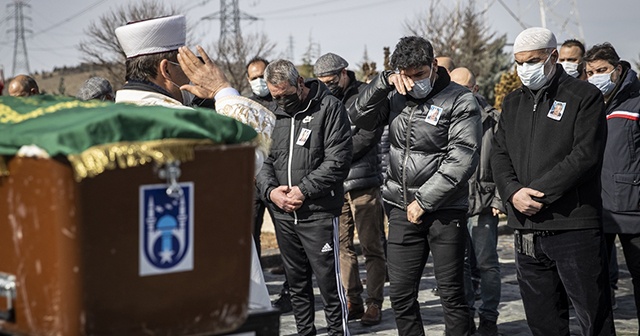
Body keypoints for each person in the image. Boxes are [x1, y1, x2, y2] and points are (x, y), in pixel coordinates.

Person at [114, 15, 274, 311]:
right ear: (166, 70)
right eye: (184, 66)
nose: (191, 77)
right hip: (203, 274)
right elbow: (247, 156)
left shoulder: (110, 117)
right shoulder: (180, 124)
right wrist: (223, 91)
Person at [350, 36, 481, 335]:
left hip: (444, 209)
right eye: (406, 76)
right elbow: (358, 117)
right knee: (401, 294)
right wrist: (382, 82)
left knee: (452, 294)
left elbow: (462, 158)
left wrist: (424, 200)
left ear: (433, 66)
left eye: (419, 75)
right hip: (400, 209)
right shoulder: (395, 94)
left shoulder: (459, 99)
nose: (413, 83)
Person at [491, 27, 615, 336]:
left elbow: (584, 155)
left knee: (593, 318)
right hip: (527, 231)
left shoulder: (583, 97)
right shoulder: (512, 102)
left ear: (553, 56)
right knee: (543, 322)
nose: (525, 69)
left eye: (532, 61)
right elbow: (499, 153)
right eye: (519, 62)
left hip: (573, 226)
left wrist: (538, 194)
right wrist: (512, 192)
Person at [256, 59, 352, 336]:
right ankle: (305, 331)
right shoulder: (271, 113)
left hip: (318, 212)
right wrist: (271, 192)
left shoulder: (329, 107)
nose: (281, 102)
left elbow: (338, 161)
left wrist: (303, 189)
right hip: (284, 214)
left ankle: (337, 332)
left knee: (328, 282)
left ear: (300, 83)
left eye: (285, 96)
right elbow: (262, 160)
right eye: (275, 97)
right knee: (296, 282)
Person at [314, 52, 386, 326]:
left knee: (372, 246)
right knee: (341, 246)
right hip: (334, 185)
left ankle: (374, 302)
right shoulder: (321, 100)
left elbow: (369, 134)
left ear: (344, 73)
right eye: (321, 81)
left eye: (331, 80)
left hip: (363, 183)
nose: (327, 86)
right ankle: (352, 298)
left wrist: (337, 155)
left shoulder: (365, 96)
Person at [585, 42, 640, 330]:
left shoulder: (636, 103)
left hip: (633, 209)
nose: (596, 76)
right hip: (597, 209)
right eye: (591, 71)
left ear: (617, 70)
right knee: (596, 285)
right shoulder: (589, 104)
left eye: (602, 70)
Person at [450, 67, 503, 336]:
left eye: (464, 89)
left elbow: (506, 163)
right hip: (453, 204)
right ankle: (467, 315)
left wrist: (498, 199)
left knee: (487, 264)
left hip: (483, 205)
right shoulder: (445, 118)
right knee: (459, 264)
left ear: (475, 89)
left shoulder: (493, 121)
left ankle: (489, 318)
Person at [244, 56, 293, 314]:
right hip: (251, 181)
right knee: (249, 236)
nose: (257, 82)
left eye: (261, 76)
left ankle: (289, 292)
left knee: (285, 238)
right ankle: (254, 291)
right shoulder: (243, 104)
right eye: (252, 77)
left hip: (276, 181)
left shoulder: (281, 100)